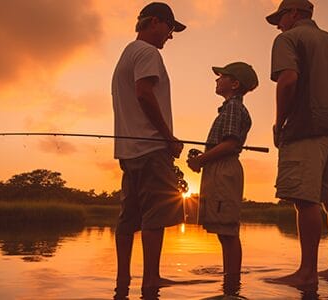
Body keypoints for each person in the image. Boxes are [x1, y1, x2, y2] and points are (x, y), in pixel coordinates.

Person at [264, 0, 328, 287]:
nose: (278, 25)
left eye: (280, 18)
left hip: (305, 127)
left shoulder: (288, 38)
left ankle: (306, 272)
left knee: (305, 200)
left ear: (293, 14)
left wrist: (279, 122)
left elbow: (288, 80)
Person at [110, 2, 186, 297]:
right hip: (152, 149)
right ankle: (152, 281)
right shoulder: (147, 52)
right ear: (154, 22)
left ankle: (122, 281)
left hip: (128, 152)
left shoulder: (126, 54)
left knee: (128, 219)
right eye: (169, 28)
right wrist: (168, 138)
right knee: (156, 216)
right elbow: (144, 93)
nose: (170, 36)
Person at [186, 62, 257, 295]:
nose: (217, 80)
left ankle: (232, 287)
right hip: (219, 169)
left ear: (234, 84)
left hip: (223, 170)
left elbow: (230, 144)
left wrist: (202, 160)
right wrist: (204, 157)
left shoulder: (233, 108)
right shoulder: (229, 108)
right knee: (224, 232)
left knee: (228, 231)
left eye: (222, 76)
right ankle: (230, 284)